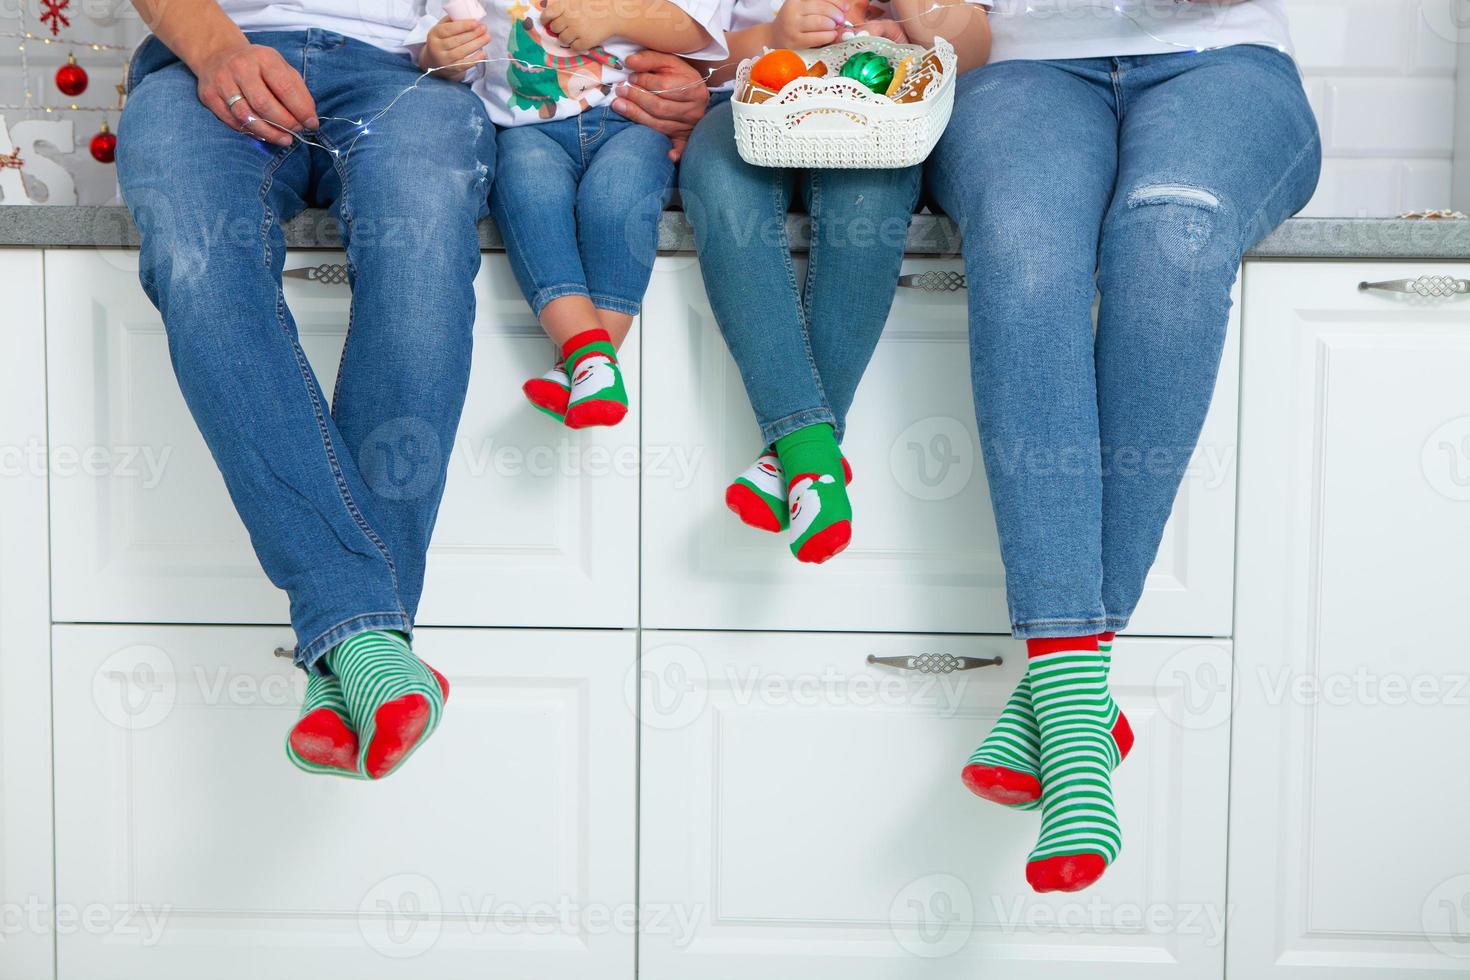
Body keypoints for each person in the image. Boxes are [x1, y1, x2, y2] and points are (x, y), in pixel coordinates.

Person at [116, 0, 711, 779]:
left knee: (421, 253)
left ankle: (347, 659)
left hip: (411, 72)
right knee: (198, 259)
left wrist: (706, 75)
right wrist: (216, 46)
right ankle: (366, 640)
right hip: (211, 55)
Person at [928, 0, 1320, 892]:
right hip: (1019, 69)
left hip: (1225, 62)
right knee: (1024, 248)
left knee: (1171, 239)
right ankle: (1080, 713)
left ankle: (1062, 703)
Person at [679, 0, 989, 563]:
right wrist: (772, 34)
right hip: (748, 112)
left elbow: (973, 53)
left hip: (881, 119)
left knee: (865, 202)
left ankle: (795, 459)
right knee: (721, 190)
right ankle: (811, 459)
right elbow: (697, 67)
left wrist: (910, 21)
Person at [412, 0, 725, 428]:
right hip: (525, 129)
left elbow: (696, 27)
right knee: (531, 197)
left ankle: (581, 364)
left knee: (617, 199)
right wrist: (440, 56)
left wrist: (616, 16)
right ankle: (589, 358)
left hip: (632, 121)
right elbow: (441, 41)